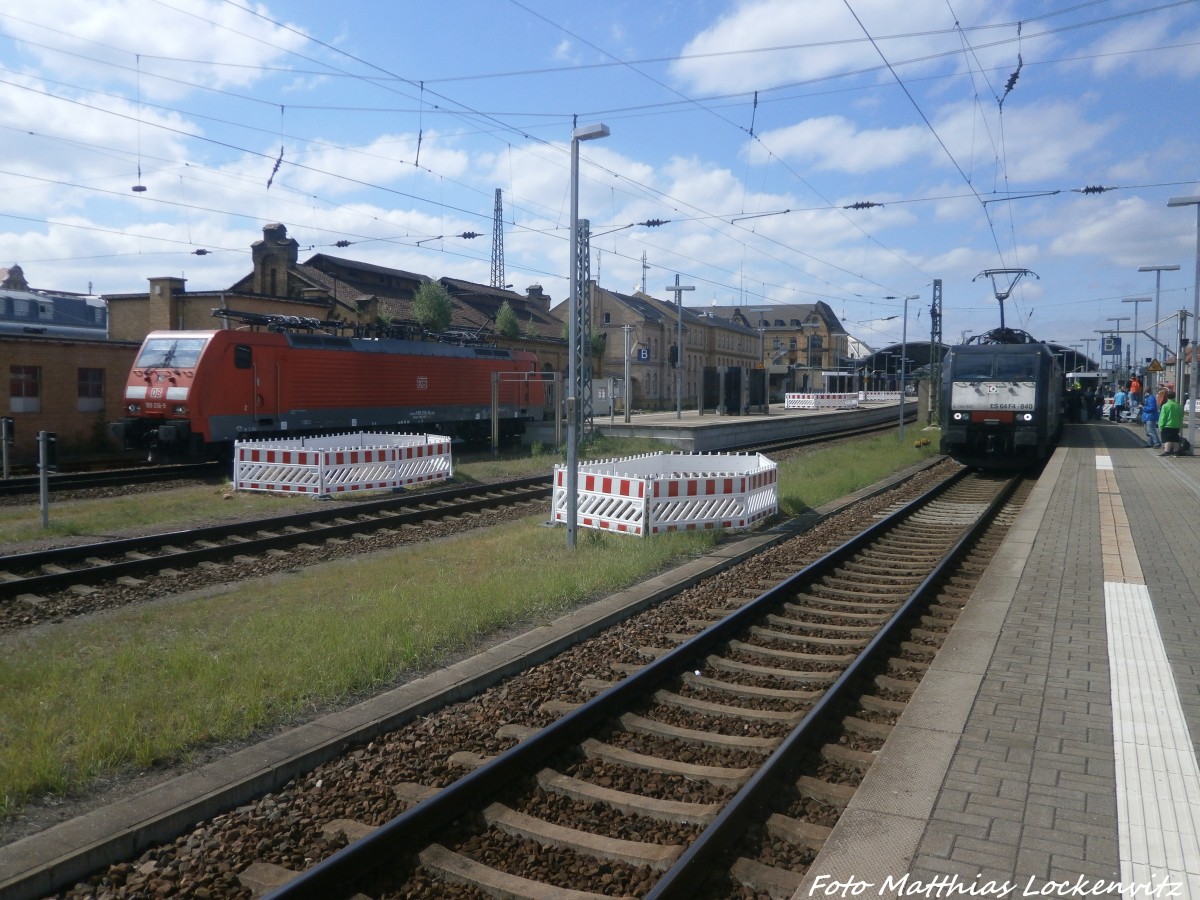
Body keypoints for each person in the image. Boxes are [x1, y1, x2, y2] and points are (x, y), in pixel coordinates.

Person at [1159, 390, 1183, 456]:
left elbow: (1163, 417)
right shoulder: (1179, 406)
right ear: (1174, 397)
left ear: (1167, 397)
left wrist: (1161, 426)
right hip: (1176, 425)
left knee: (1168, 440)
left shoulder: (1165, 406)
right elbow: (1181, 416)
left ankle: (1167, 452)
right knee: (1175, 439)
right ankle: (1176, 452)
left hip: (1167, 425)